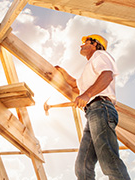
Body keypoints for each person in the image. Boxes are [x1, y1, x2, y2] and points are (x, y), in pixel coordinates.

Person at [55, 34, 130, 180]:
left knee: (109, 160)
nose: (81, 45)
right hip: (92, 113)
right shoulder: (89, 68)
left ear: (95, 44)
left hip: (102, 107)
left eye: (85, 42)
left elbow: (107, 75)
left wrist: (87, 95)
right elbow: (76, 85)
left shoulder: (100, 55)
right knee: (82, 168)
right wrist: (62, 72)